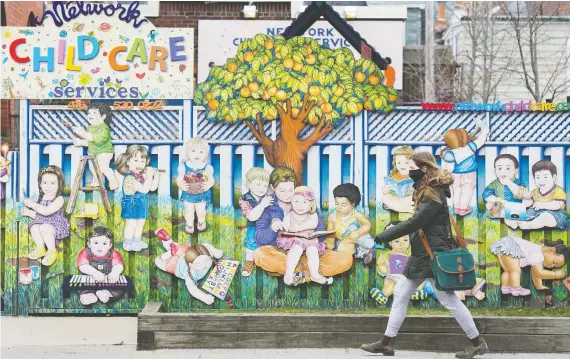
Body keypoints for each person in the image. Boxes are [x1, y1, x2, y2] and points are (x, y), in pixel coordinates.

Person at [361, 152, 488, 359]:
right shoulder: (426, 189)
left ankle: (477, 342)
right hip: (424, 253)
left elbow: (416, 222)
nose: (407, 169)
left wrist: (385, 235)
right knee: (402, 295)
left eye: (411, 165)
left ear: (424, 169)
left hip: (432, 254)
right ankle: (386, 343)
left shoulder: (431, 193)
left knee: (449, 301)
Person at [254, 166, 353, 284]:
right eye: (282, 191)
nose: (287, 195)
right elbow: (260, 239)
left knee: (346, 259)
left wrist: (311, 237)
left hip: (310, 252)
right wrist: (272, 228)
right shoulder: (267, 206)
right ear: (272, 188)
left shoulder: (304, 201)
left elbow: (320, 230)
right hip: (282, 252)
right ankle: (308, 272)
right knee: (260, 254)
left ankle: (296, 273)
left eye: (290, 190)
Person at [155, 228, 223, 305]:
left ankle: (170, 245)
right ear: (190, 265)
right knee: (158, 261)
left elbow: (206, 246)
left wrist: (215, 251)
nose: (204, 265)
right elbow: (192, 289)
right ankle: (170, 251)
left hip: (186, 253)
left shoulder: (206, 254)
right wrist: (204, 297)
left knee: (182, 249)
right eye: (199, 264)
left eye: (206, 261)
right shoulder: (191, 274)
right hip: (174, 264)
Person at [277, 186, 330, 285]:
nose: (300, 206)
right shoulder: (289, 215)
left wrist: (299, 227)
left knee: (313, 251)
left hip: (310, 241)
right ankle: (289, 273)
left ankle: (314, 274)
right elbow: (285, 226)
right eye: (296, 202)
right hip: (296, 240)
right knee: (296, 249)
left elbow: (313, 224)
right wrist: (289, 228)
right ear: (291, 202)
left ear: (311, 204)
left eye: (304, 202)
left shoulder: (313, 214)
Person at [22, 165, 70, 266]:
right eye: (45, 183)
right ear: (40, 184)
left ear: (59, 185)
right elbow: (40, 216)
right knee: (34, 227)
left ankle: (52, 251)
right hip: (44, 222)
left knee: (44, 227)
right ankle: (41, 248)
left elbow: (46, 212)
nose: (48, 186)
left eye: (52, 183)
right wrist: (28, 212)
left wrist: (31, 204)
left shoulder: (59, 199)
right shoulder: (41, 198)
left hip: (55, 225)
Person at [115, 145, 160, 251]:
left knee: (141, 223)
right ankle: (128, 243)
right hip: (131, 203)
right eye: (135, 160)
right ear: (128, 161)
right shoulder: (130, 178)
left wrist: (156, 177)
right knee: (132, 224)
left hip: (141, 204)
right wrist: (149, 176)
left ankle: (137, 241)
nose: (139, 163)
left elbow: (152, 188)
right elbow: (144, 190)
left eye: (142, 161)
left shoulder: (141, 176)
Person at [441, 118, 489, 216]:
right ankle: (463, 209)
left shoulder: (449, 153)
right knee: (467, 192)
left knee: (456, 192)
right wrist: (483, 129)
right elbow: (482, 139)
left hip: (455, 175)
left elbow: (450, 168)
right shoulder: (470, 147)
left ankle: (456, 209)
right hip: (469, 173)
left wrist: (446, 172)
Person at [490, 236, 567, 296]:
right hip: (511, 245)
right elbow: (540, 273)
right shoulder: (539, 255)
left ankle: (505, 287)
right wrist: (555, 275)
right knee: (515, 270)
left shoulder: (538, 255)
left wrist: (539, 286)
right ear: (551, 250)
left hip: (507, 244)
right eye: (554, 262)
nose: (552, 266)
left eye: (554, 266)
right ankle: (515, 289)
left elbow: (535, 272)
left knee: (508, 271)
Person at [505, 160, 567, 230]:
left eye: (545, 177)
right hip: (537, 212)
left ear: (554, 177)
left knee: (545, 217)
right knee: (510, 216)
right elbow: (530, 201)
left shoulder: (558, 190)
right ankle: (515, 223)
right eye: (537, 177)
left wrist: (542, 205)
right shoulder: (535, 191)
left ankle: (529, 225)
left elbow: (557, 205)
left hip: (556, 214)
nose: (541, 180)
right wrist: (528, 202)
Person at [71, 102, 119, 190]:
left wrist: (82, 133)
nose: (90, 115)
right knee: (92, 168)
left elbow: (92, 138)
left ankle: (113, 181)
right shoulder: (90, 128)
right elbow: (90, 142)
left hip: (104, 152)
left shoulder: (104, 128)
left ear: (103, 116)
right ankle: (97, 181)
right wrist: (80, 142)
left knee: (103, 168)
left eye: (94, 113)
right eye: (89, 113)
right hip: (93, 152)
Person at [327, 183, 375, 264]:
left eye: (343, 205)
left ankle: (365, 253)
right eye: (336, 203)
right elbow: (330, 232)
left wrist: (358, 232)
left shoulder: (357, 215)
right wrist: (330, 244)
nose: (339, 207)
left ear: (352, 204)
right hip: (340, 239)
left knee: (358, 247)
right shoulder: (332, 216)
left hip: (355, 240)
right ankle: (344, 256)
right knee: (337, 247)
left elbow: (367, 225)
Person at [76, 227, 125, 305]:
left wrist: (115, 272)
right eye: (96, 243)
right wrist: (94, 272)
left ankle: (107, 294)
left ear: (110, 245)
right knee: (83, 286)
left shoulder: (114, 253)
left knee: (120, 289)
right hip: (90, 281)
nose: (100, 246)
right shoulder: (85, 252)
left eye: (104, 243)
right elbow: (82, 266)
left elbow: (118, 265)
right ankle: (89, 295)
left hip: (108, 281)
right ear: (89, 244)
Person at [239, 167, 273, 277]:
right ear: (248, 185)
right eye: (258, 184)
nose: (262, 188)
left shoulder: (268, 197)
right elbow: (251, 217)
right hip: (254, 225)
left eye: (265, 185)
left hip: (268, 226)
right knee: (251, 242)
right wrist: (263, 204)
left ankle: (267, 262)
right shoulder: (245, 199)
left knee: (269, 243)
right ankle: (249, 262)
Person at [176, 137, 215, 234]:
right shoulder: (183, 166)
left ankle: (201, 221)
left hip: (201, 194)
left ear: (205, 154)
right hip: (188, 194)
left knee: (201, 210)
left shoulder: (207, 167)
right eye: (193, 151)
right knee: (188, 210)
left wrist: (209, 184)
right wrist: (181, 184)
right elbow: (179, 178)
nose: (197, 154)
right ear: (188, 153)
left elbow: (211, 179)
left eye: (201, 152)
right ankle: (189, 224)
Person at [382, 146, 415, 213]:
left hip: (410, 200)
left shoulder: (415, 174)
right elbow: (390, 192)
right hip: (398, 200)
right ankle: (406, 209)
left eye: (406, 163)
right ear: (395, 163)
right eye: (399, 163)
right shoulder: (394, 176)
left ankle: (400, 207)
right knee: (385, 198)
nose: (402, 165)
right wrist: (386, 190)